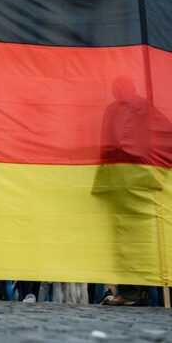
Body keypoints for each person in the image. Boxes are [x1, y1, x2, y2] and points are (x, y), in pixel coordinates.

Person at [93, 77, 171, 306]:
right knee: (133, 236)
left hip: (128, 177)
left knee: (128, 236)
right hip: (133, 177)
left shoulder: (131, 109)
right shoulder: (141, 108)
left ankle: (132, 293)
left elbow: (109, 144)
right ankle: (135, 292)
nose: (117, 93)